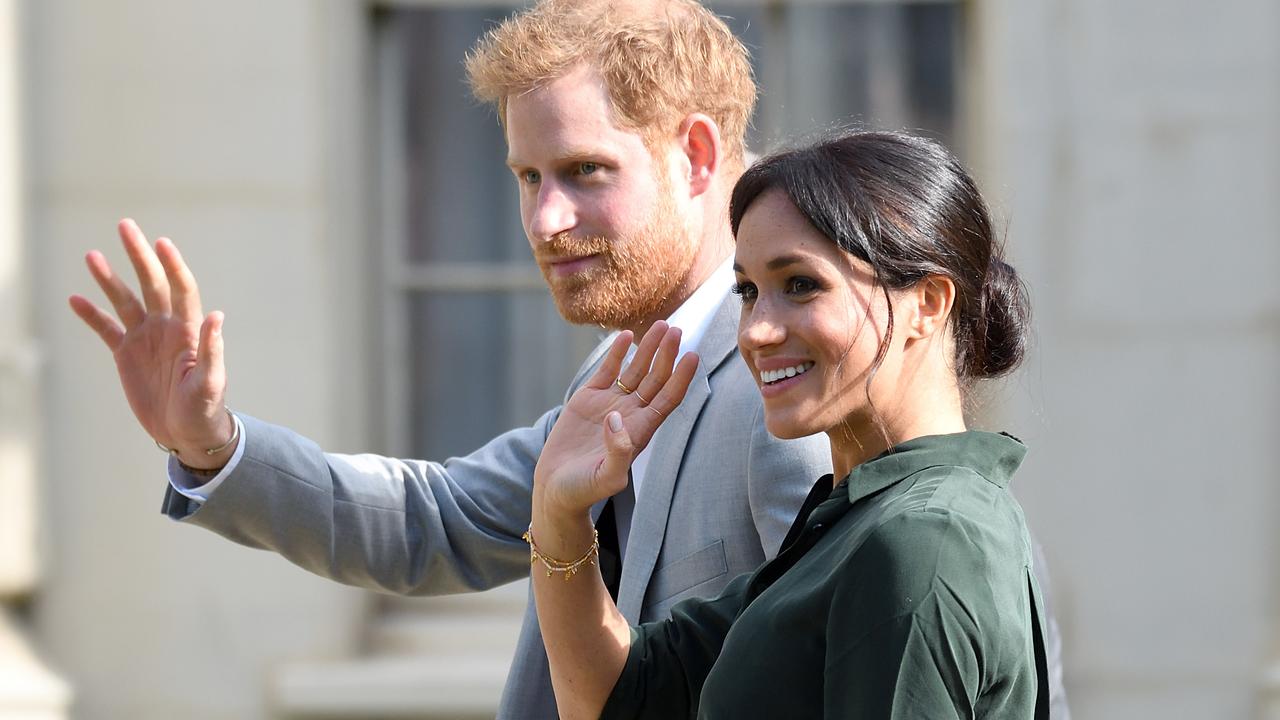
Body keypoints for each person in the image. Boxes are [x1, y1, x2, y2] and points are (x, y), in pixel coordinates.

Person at [67, 2, 1067, 717]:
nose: (546, 219)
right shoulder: (627, 376)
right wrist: (212, 446)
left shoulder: (804, 411)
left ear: (695, 158)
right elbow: (438, 521)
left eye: (585, 172)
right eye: (525, 177)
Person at [527, 130, 1052, 718]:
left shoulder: (919, 539)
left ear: (927, 304)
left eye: (801, 285)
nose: (755, 331)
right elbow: (614, 698)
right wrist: (558, 513)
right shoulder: (855, 524)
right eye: (748, 291)